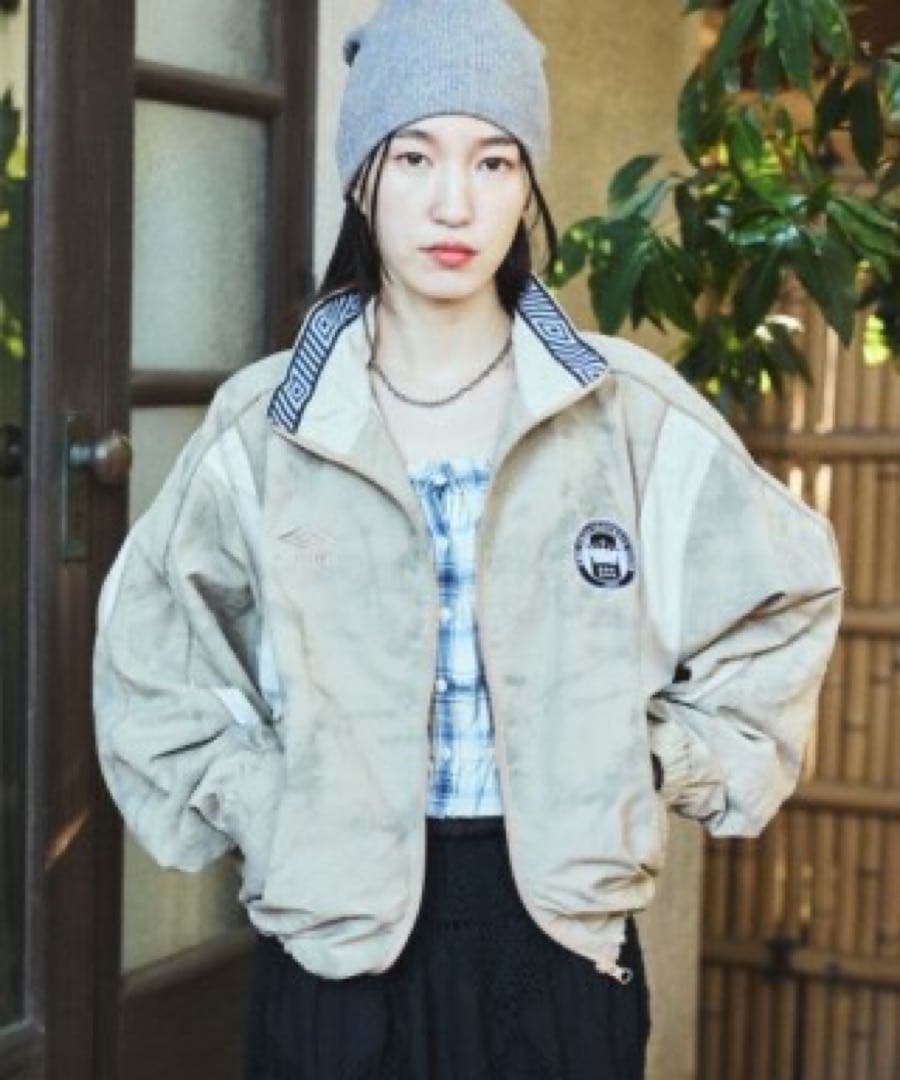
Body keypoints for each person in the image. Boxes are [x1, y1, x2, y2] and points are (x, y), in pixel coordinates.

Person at [91, 1, 845, 1077]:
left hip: (559, 952)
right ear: (362, 179)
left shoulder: (625, 412)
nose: (455, 202)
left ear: (528, 185)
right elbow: (151, 649)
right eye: (415, 157)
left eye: (494, 161)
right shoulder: (270, 423)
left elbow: (787, 595)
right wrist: (267, 803)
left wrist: (657, 757)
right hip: (335, 945)